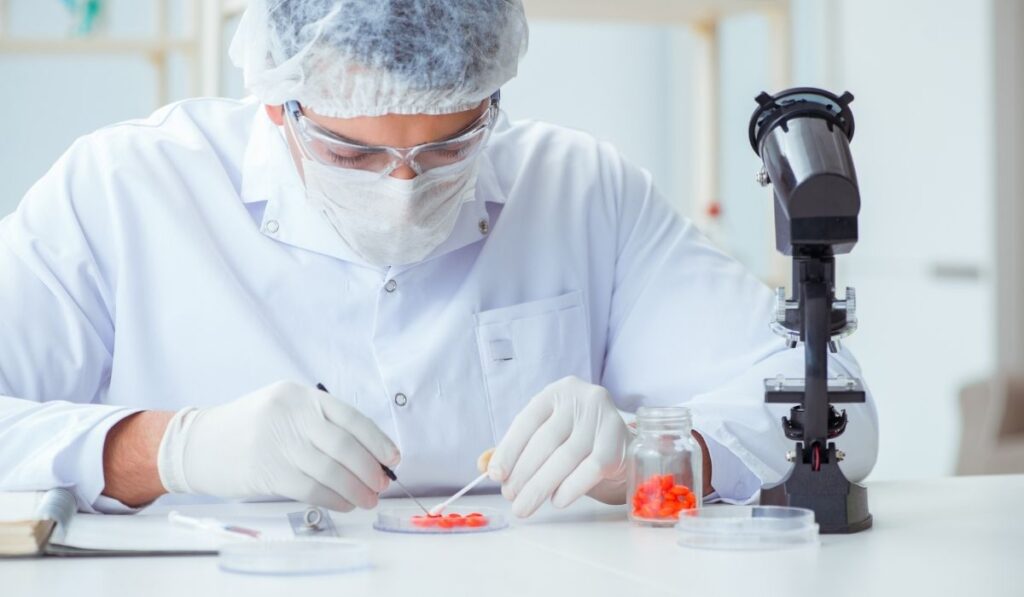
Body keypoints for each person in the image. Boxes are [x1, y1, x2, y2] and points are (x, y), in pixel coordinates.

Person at [0, 0, 878, 518]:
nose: (402, 189)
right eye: (352, 155)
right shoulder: (127, 187)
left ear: (493, 101)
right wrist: (169, 448)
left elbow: (842, 413)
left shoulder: (579, 188)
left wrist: (661, 450)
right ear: (276, 104)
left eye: (450, 147)